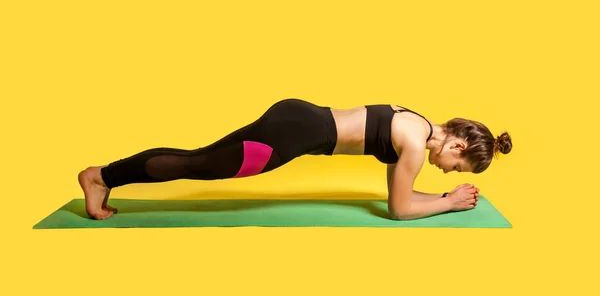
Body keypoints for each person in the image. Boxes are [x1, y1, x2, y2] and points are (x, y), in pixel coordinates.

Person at [78, 98, 512, 220]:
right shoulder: (416, 147)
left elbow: (398, 192)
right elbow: (398, 209)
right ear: (457, 146)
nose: (449, 171)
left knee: (200, 160)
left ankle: (106, 176)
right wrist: (449, 201)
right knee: (197, 164)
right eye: (457, 166)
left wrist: (435, 195)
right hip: (291, 135)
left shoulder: (415, 123)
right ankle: (101, 176)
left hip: (298, 116)